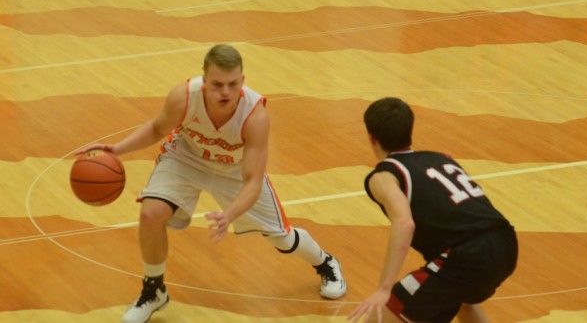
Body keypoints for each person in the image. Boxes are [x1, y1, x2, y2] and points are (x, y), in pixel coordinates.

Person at [78, 44, 346, 323]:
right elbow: (158, 128)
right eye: (217, 84)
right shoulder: (183, 97)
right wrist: (117, 149)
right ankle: (154, 290)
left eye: (233, 84)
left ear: (243, 80)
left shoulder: (255, 116)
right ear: (204, 81)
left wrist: (230, 215)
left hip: (234, 168)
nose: (226, 92)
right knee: (150, 214)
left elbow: (253, 181)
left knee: (282, 236)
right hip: (187, 157)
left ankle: (325, 262)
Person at [348, 97, 518, 323]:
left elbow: (404, 223)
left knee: (380, 316)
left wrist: (383, 287)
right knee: (464, 300)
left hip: (466, 254)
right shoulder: (440, 158)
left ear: (371, 138)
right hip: (505, 242)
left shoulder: (384, 176)